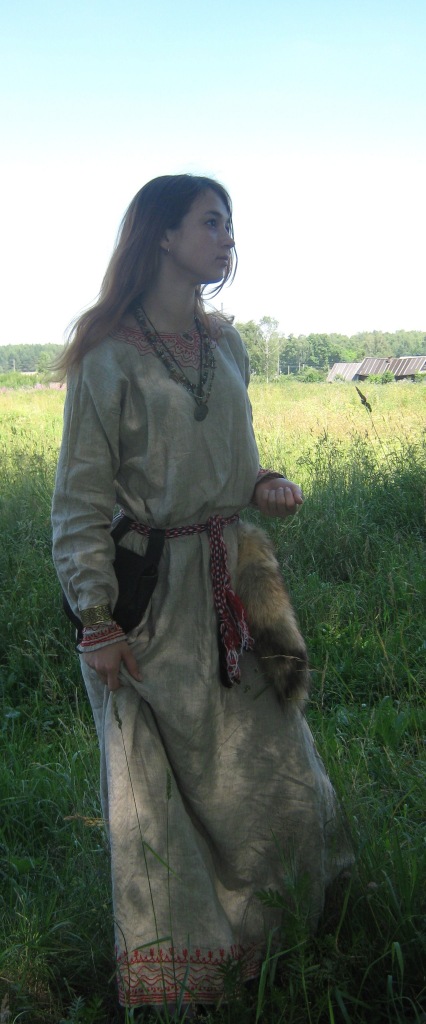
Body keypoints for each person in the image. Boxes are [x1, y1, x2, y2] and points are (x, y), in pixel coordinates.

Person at [52, 174, 352, 1014]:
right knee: (162, 792)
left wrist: (267, 484)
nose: (227, 238)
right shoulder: (109, 355)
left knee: (274, 764)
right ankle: (187, 973)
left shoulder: (226, 344)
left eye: (229, 224)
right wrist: (98, 619)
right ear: (162, 236)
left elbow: (239, 462)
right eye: (210, 222)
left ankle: (280, 935)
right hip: (149, 599)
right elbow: (78, 501)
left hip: (237, 584)